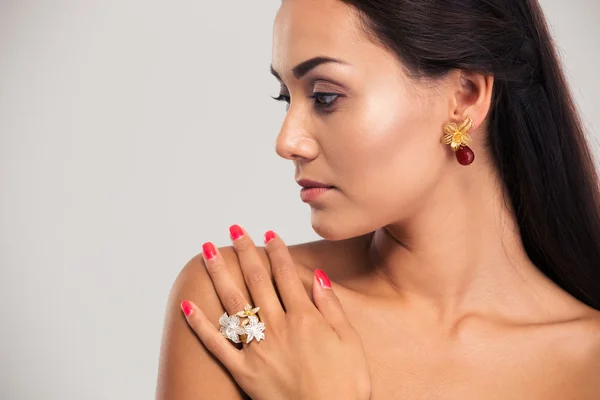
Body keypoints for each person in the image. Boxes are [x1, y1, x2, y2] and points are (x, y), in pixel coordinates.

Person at [156, 0, 600, 398]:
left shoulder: (589, 363)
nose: (287, 141)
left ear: (463, 97)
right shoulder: (245, 309)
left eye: (325, 96)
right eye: (285, 98)